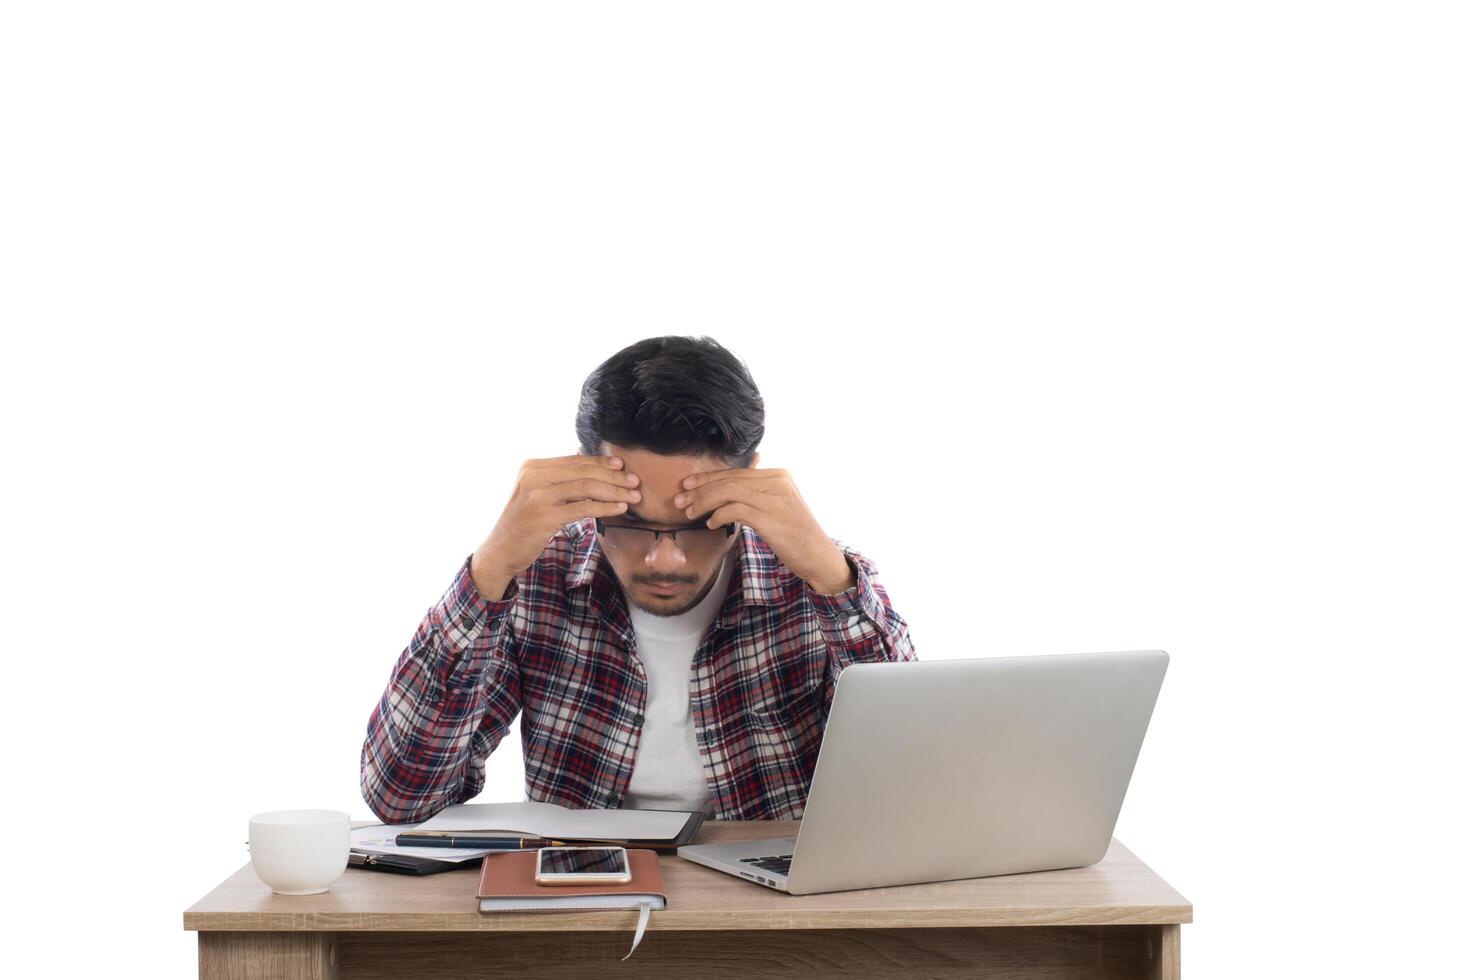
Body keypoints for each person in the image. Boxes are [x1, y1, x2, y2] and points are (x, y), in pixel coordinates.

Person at [360, 336, 917, 823]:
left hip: (774, 917)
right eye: (630, 525)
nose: (664, 561)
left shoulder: (813, 582)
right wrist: (490, 571)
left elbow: (911, 787)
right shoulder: (536, 579)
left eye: (698, 525)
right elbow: (402, 798)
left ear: (749, 480)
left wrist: (832, 577)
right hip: (585, 910)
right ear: (585, 475)